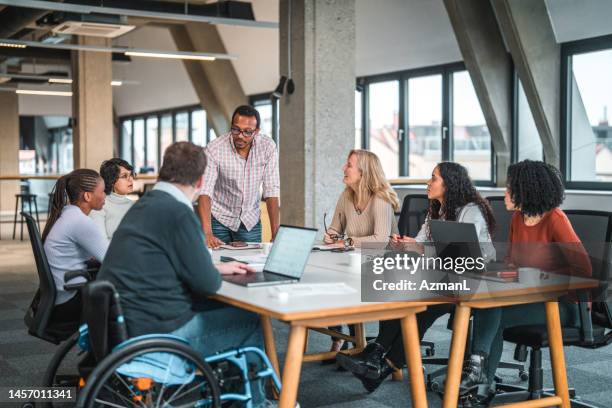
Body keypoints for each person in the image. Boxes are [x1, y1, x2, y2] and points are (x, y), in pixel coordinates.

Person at [98, 142, 278, 407]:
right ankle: (255, 403)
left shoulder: (145, 205)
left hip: (125, 319)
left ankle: (228, 391)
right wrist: (211, 272)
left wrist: (214, 267)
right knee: (248, 320)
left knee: (220, 311)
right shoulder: (179, 212)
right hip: (157, 329)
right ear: (202, 179)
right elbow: (206, 284)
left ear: (164, 170)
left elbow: (163, 260)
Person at [336, 162, 496, 393]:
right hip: (443, 274)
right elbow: (422, 243)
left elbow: (462, 254)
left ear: (449, 184)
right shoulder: (436, 209)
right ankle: (378, 357)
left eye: (434, 178)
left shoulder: (470, 210)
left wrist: (421, 249)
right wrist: (405, 245)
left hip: (474, 279)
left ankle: (379, 361)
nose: (428, 183)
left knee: (418, 308)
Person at [458, 160, 592, 405]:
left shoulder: (555, 219)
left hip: (562, 306)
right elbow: (513, 263)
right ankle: (481, 381)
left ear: (527, 190)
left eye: (510, 188)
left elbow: (583, 269)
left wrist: (541, 279)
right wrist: (500, 275)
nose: (505, 194)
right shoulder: (519, 219)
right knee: (486, 306)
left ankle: (479, 379)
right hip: (529, 298)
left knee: (491, 312)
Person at [323, 149, 400, 357]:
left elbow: (380, 240)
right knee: (325, 274)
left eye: (349, 165)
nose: (343, 168)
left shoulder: (380, 198)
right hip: (355, 258)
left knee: (345, 278)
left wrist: (347, 241)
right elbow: (335, 227)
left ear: (363, 172)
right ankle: (338, 336)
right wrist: (330, 236)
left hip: (383, 263)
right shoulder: (347, 194)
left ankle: (364, 344)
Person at [198, 105, 280, 248]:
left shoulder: (268, 147)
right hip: (219, 219)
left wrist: (275, 232)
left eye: (248, 132)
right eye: (236, 129)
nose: (240, 135)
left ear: (257, 131)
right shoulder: (214, 149)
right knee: (216, 264)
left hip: (250, 221)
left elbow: (271, 191)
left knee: (251, 265)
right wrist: (207, 232)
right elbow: (205, 191)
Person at [43, 169, 109, 329]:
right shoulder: (80, 221)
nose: (105, 195)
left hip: (61, 297)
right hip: (70, 301)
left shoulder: (68, 215)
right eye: (102, 191)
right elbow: (112, 258)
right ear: (87, 196)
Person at [89, 158, 135, 240]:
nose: (130, 179)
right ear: (111, 180)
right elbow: (101, 244)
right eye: (124, 176)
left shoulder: (134, 205)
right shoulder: (99, 206)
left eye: (131, 175)